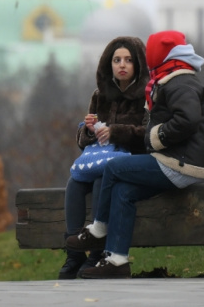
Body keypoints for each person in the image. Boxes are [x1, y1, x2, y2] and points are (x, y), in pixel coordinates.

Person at [66, 30, 204, 279]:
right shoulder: (169, 79)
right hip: (176, 160)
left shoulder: (180, 81)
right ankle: (116, 260)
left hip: (182, 162)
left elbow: (187, 120)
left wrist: (156, 137)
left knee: (113, 168)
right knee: (123, 192)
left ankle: (99, 228)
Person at [59, 36, 148, 280]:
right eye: (117, 60)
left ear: (138, 64)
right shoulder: (100, 95)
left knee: (102, 182)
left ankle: (97, 253)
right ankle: (74, 252)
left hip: (129, 162)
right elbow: (84, 143)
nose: (122, 65)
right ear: (108, 64)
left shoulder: (147, 95)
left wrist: (116, 131)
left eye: (129, 60)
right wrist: (88, 130)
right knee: (74, 183)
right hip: (101, 159)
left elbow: (147, 134)